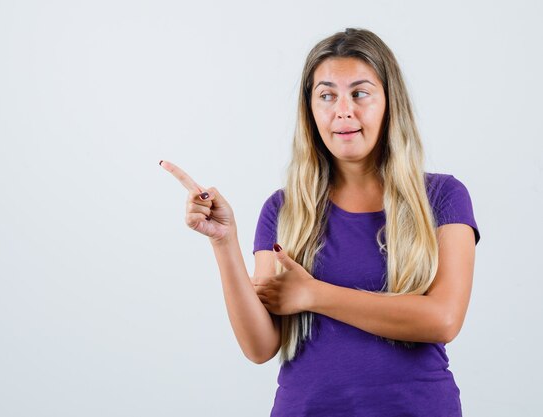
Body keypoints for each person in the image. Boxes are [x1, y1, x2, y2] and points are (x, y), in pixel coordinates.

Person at [160, 27, 480, 417]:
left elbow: (443, 319)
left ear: (390, 103)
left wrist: (314, 295)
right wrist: (224, 243)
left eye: (360, 93)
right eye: (327, 95)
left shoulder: (443, 197)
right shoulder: (283, 209)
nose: (343, 110)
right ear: (310, 110)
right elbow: (260, 347)